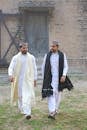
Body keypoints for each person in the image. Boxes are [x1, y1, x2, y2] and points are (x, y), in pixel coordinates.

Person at [8, 42, 37, 120]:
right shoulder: (15, 58)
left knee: (27, 95)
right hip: (19, 80)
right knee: (20, 96)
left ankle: (28, 113)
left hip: (28, 80)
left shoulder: (31, 57)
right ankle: (23, 109)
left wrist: (35, 79)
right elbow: (11, 67)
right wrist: (10, 75)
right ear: (20, 48)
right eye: (24, 48)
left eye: (26, 48)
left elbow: (34, 68)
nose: (25, 49)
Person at [42, 40, 68, 119]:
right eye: (51, 46)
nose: (52, 48)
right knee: (51, 93)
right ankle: (52, 111)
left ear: (57, 47)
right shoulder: (47, 55)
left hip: (59, 78)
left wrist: (64, 75)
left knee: (58, 95)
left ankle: (55, 109)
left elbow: (66, 66)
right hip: (50, 78)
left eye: (53, 46)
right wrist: (44, 77)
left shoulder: (62, 55)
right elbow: (43, 66)